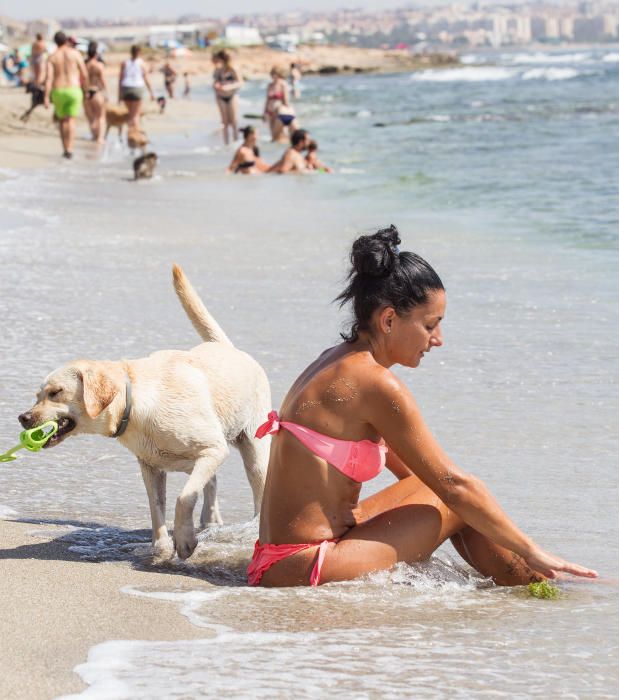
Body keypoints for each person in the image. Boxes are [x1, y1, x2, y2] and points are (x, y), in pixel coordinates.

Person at [248, 225, 598, 588]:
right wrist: (530, 548)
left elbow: (420, 477)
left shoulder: (338, 361)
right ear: (388, 320)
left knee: (449, 496)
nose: (439, 340)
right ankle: (543, 584)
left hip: (280, 559)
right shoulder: (375, 383)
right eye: (430, 325)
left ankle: (538, 581)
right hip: (303, 567)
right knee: (454, 500)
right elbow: (454, 488)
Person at [44, 31, 88, 159]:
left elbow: (49, 79)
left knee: (62, 121)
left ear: (55, 42)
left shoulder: (52, 57)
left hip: (58, 90)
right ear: (66, 41)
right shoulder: (75, 54)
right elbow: (84, 74)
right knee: (71, 120)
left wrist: (46, 97)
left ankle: (65, 148)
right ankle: (70, 148)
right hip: (74, 89)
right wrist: (86, 90)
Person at [118, 45, 154, 131]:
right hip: (137, 88)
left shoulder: (125, 63)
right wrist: (151, 93)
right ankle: (135, 133)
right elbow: (146, 78)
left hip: (126, 88)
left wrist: (119, 96)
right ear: (139, 52)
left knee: (130, 113)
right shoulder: (141, 63)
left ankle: (130, 132)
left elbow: (120, 80)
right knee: (135, 115)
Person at [212, 50, 242, 145]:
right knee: (224, 123)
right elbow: (215, 82)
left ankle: (236, 142)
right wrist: (216, 85)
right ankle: (226, 144)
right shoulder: (218, 70)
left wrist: (228, 87)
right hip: (220, 96)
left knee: (234, 121)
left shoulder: (233, 68)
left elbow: (240, 82)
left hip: (231, 95)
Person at [84, 41, 107, 143]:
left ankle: (94, 135)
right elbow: (102, 80)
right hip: (96, 91)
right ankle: (100, 138)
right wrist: (106, 93)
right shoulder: (99, 65)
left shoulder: (84, 64)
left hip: (86, 92)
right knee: (100, 117)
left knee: (91, 118)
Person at [263, 66, 290, 142]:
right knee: (273, 135)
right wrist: (264, 112)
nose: (272, 76)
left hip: (279, 111)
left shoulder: (283, 84)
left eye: (274, 74)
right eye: (272, 74)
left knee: (282, 132)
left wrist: (287, 111)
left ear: (278, 74)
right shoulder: (270, 85)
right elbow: (267, 100)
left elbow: (286, 100)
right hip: (270, 111)